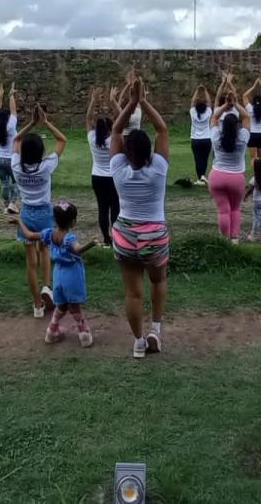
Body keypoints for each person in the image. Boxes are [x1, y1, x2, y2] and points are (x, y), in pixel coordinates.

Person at [110, 76, 171, 359]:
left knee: (132, 293)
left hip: (124, 233)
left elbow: (115, 129)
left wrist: (131, 103)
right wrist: (143, 101)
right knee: (158, 282)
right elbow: (162, 128)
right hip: (154, 234)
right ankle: (155, 331)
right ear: (150, 151)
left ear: (126, 152)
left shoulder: (119, 170)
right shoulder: (158, 169)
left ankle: (137, 342)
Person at [10, 201, 99, 347]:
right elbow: (77, 250)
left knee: (62, 305)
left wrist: (20, 221)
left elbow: (30, 235)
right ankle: (84, 335)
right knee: (74, 306)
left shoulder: (49, 234)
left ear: (54, 219)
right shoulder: (70, 238)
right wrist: (91, 244)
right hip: (72, 276)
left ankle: (51, 332)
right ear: (73, 221)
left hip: (58, 275)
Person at [13, 105, 68, 318]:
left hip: (26, 214)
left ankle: (37, 305)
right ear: (41, 152)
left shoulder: (17, 167)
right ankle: (47, 287)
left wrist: (30, 124)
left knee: (30, 261)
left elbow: (16, 140)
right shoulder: (46, 167)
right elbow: (62, 140)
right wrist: (45, 122)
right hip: (45, 213)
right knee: (45, 250)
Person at [209, 83, 251, 243]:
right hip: (236, 178)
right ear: (237, 125)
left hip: (217, 177)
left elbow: (214, 117)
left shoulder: (216, 137)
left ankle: (223, 239)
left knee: (223, 210)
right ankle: (234, 240)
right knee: (235, 208)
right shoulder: (242, 138)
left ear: (223, 125)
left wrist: (226, 105)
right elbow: (247, 117)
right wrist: (235, 104)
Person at [86, 89, 119, 247]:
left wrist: (93, 100)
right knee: (115, 208)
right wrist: (113, 101)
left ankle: (106, 238)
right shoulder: (114, 140)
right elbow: (121, 118)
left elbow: (88, 118)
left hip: (97, 177)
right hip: (113, 178)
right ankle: (116, 238)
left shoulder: (92, 138)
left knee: (102, 208)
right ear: (110, 128)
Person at [0, 83, 19, 215]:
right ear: (8, 118)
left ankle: (6, 204)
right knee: (16, 182)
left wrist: (0, 95)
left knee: (4, 183)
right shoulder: (11, 126)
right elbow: (14, 110)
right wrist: (11, 96)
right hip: (11, 159)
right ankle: (13, 204)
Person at [189, 85, 213, 185]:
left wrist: (197, 91)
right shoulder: (208, 112)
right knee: (204, 159)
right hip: (206, 139)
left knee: (197, 159)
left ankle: (200, 178)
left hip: (195, 140)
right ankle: (202, 177)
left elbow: (192, 102)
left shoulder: (193, 112)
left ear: (196, 107)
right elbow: (209, 103)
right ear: (205, 107)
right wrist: (205, 91)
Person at [110, 67, 143, 136]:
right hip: (136, 138)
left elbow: (117, 104)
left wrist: (128, 85)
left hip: (125, 139)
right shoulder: (138, 114)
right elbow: (137, 99)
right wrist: (137, 84)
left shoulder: (123, 115)